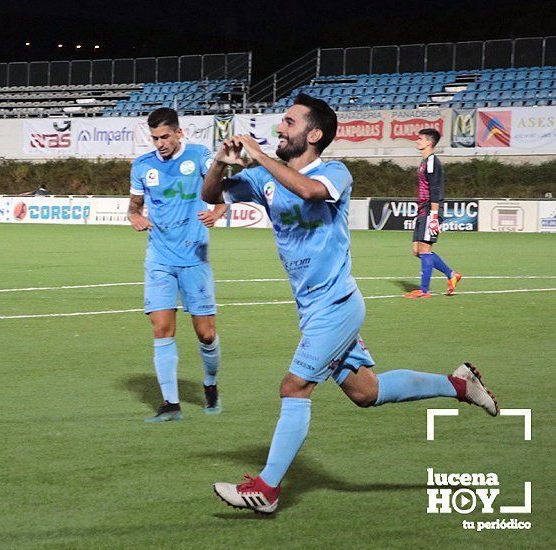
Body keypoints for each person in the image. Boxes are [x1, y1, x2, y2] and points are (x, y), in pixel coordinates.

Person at [202, 94, 498, 514]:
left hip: (337, 305)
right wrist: (220, 161)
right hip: (314, 309)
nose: (279, 128)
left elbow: (309, 191)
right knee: (366, 392)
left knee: (294, 387)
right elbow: (210, 193)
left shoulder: (334, 172)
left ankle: (266, 490)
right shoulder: (266, 178)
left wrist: (257, 154)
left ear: (314, 133)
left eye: (288, 122)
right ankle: (458, 384)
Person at [129, 107, 228, 422]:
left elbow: (223, 193)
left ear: (179, 133)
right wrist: (136, 218)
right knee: (161, 327)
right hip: (159, 258)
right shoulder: (142, 166)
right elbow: (133, 207)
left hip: (194, 256)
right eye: (155, 138)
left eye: (165, 136)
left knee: (206, 334)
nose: (159, 143)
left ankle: (210, 385)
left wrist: (217, 212)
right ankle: (171, 404)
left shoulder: (199, 157)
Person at [404, 128, 461, 298]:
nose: (417, 141)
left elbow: (435, 189)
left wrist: (434, 216)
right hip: (423, 209)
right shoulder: (424, 161)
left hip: (430, 210)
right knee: (417, 250)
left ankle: (424, 290)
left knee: (425, 250)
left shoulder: (432, 162)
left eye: (420, 139)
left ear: (429, 142)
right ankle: (452, 275)